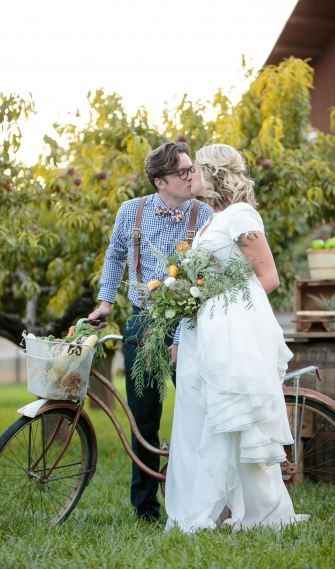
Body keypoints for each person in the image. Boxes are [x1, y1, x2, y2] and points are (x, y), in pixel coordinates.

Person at [164, 144, 308, 532]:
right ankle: (209, 509)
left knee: (237, 420)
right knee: (201, 419)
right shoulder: (211, 219)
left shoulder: (242, 215)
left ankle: (260, 511)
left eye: (194, 169)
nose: (188, 175)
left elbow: (268, 276)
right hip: (202, 334)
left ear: (213, 172)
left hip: (231, 335)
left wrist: (225, 308)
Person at [88, 141, 212, 521]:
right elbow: (114, 257)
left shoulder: (205, 214)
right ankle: (145, 507)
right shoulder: (132, 211)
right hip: (143, 322)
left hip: (190, 323)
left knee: (200, 407)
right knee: (144, 415)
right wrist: (106, 302)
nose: (192, 176)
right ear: (160, 181)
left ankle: (203, 494)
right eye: (183, 172)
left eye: (192, 169)